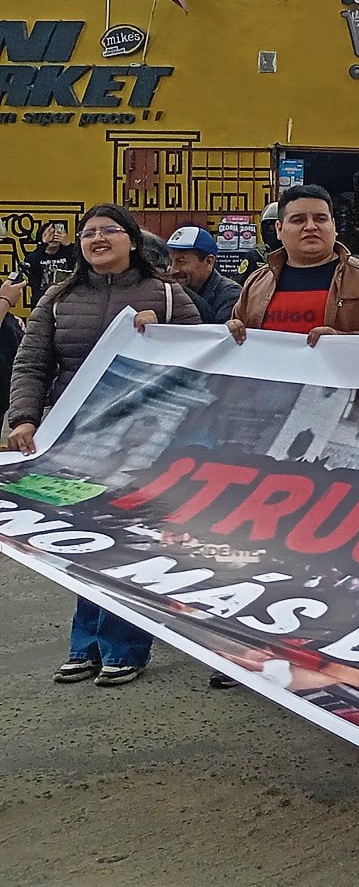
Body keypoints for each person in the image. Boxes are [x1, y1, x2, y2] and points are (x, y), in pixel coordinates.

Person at [7, 204, 201, 687]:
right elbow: (32, 363)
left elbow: (203, 356)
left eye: (109, 230)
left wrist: (164, 329)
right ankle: (85, 645)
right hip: (75, 438)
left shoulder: (167, 295)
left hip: (146, 441)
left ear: (131, 240)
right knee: (84, 542)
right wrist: (25, 418)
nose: (97, 239)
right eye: (88, 232)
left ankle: (124, 648)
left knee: (128, 541)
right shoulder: (58, 297)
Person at [226, 185, 359, 344]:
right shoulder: (256, 283)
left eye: (320, 219)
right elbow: (237, 332)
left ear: (333, 226)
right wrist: (229, 332)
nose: (311, 226)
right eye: (298, 220)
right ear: (279, 229)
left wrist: (342, 341)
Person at [164, 225, 241, 325]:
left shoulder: (230, 295)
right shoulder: (167, 291)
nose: (173, 270)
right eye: (170, 262)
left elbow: (218, 331)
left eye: (181, 261)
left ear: (209, 261)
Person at [20, 220, 80, 307]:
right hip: (41, 301)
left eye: (57, 234)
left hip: (65, 300)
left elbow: (78, 262)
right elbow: (32, 271)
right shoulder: (35, 256)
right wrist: (44, 244)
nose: (54, 237)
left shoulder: (69, 253)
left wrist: (68, 245)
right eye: (50, 234)